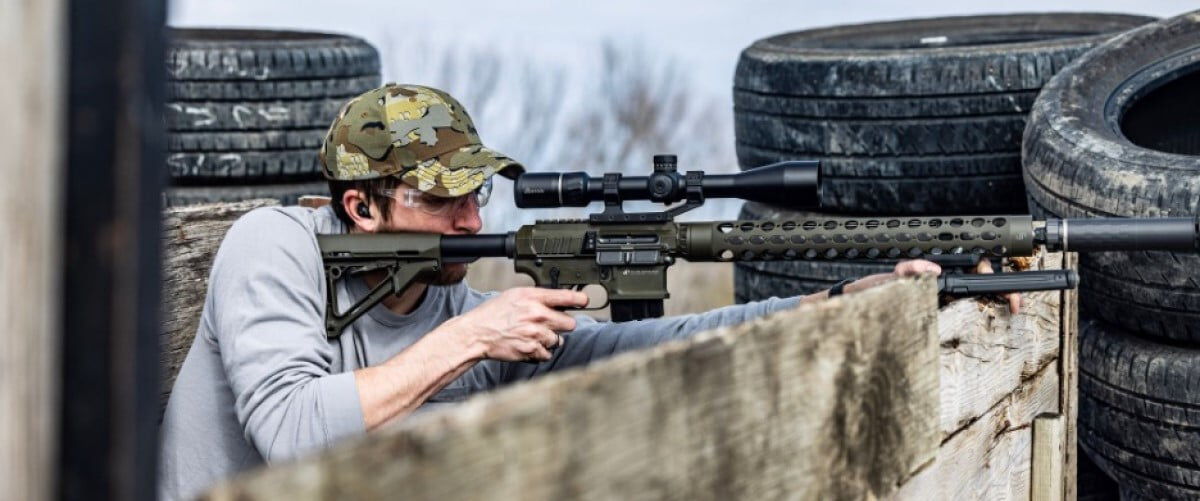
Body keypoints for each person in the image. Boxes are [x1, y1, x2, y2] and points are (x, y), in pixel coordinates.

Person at [158, 83, 1019, 500]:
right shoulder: (277, 247)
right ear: (362, 206)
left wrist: (842, 301)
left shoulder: (447, 306)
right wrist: (475, 337)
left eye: (475, 192)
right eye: (439, 196)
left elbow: (643, 349)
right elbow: (289, 430)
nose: (466, 217)